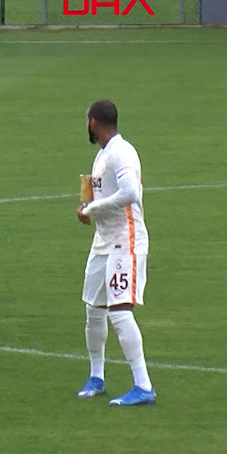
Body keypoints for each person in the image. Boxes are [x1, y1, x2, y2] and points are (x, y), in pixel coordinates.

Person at [75, 100, 155, 406]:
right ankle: (96, 377)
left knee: (119, 311)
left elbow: (130, 193)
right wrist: (86, 206)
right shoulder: (102, 155)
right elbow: (101, 192)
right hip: (103, 241)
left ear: (93, 122)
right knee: (94, 310)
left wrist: (93, 208)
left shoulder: (122, 152)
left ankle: (143, 386)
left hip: (126, 240)